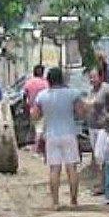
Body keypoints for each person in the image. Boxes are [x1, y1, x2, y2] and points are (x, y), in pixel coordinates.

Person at [33, 67, 87, 209]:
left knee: (54, 169)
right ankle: (74, 200)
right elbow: (81, 113)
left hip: (51, 135)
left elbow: (35, 116)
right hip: (69, 133)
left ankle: (55, 202)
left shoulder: (42, 95)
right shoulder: (72, 93)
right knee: (72, 168)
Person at [22, 65, 49, 153]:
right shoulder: (46, 83)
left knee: (37, 128)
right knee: (40, 129)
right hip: (44, 108)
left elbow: (24, 96)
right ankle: (38, 147)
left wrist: (25, 107)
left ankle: (37, 147)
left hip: (32, 108)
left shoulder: (29, 82)